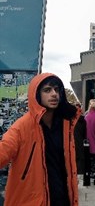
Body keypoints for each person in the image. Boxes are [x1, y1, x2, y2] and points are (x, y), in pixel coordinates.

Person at [0, 73, 80, 206]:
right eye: (47, 90)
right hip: (32, 199)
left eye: (56, 89)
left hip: (63, 197)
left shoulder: (66, 124)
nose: (54, 94)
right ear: (36, 94)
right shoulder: (22, 127)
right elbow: (4, 151)